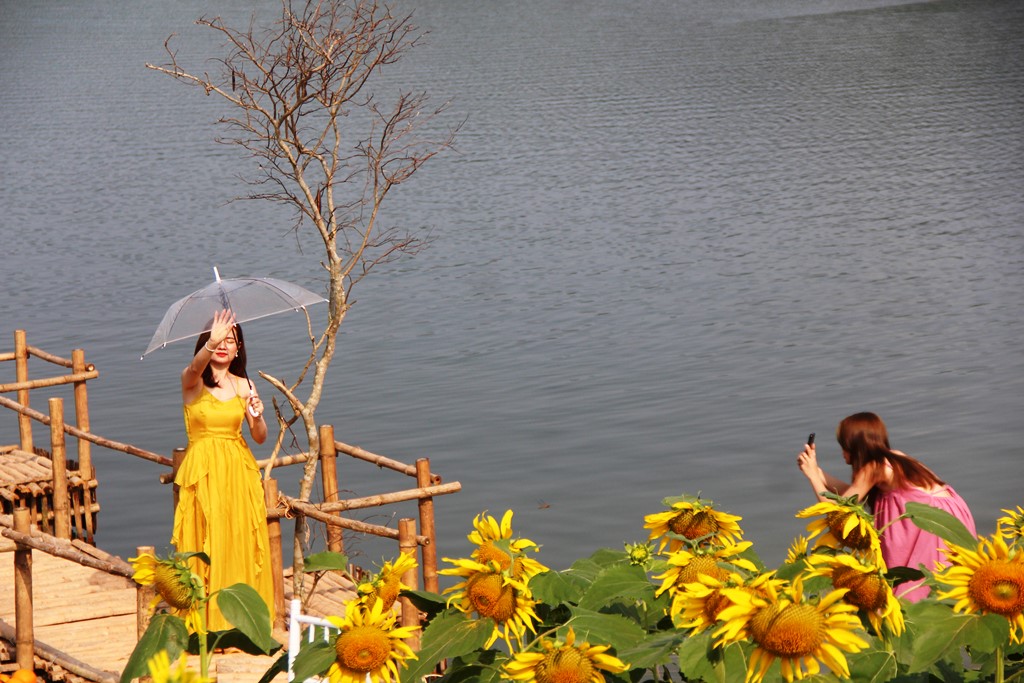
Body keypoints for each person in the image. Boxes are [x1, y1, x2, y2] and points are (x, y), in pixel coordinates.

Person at [796, 411, 976, 602]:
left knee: (914, 590)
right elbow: (852, 494)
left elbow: (838, 511)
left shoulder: (873, 468)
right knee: (945, 587)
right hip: (947, 514)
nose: (842, 453)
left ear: (855, 446)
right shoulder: (892, 458)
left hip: (931, 524)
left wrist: (812, 477)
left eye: (844, 447)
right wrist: (817, 471)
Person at [171, 309, 275, 630]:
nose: (223, 345)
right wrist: (210, 343)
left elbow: (260, 437)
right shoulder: (192, 382)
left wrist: (257, 415)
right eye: (218, 340)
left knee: (238, 537)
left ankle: (242, 624)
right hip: (204, 472)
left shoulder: (245, 385)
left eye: (231, 340)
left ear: (239, 348)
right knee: (207, 540)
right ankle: (205, 623)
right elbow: (194, 367)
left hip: (238, 472)